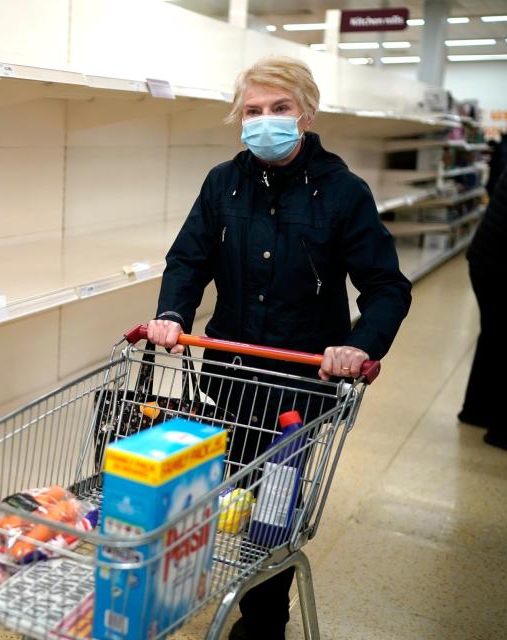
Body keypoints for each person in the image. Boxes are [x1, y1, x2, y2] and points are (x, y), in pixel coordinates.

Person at [147, 57, 412, 639]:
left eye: (279, 109)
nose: (265, 121)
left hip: (299, 387)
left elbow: (387, 287)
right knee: (226, 492)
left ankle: (264, 620)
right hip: (228, 377)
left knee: (274, 508)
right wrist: (172, 314)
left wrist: (357, 346)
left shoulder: (343, 193)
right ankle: (206, 584)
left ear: (306, 114)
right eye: (253, 111)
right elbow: (188, 259)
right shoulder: (223, 182)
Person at [459, 168, 507, 450]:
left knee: (493, 336)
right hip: (498, 264)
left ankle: (475, 411)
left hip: (487, 258)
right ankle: (501, 430)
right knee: (501, 339)